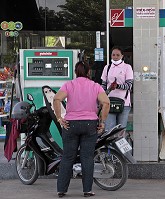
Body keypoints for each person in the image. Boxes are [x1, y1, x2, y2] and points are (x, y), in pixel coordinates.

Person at [53, 61, 110, 198]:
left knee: (67, 157)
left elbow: (56, 99)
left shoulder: (69, 85)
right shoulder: (95, 86)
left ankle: (61, 190)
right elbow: (106, 102)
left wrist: (60, 118)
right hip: (90, 124)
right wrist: (102, 121)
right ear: (89, 72)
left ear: (75, 72)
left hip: (70, 124)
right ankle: (87, 190)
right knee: (87, 158)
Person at [101, 46, 133, 132]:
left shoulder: (127, 67)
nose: (115, 57)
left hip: (124, 103)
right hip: (109, 102)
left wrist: (117, 86)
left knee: (121, 130)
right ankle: (110, 146)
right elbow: (103, 85)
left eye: (118, 55)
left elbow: (129, 85)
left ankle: (119, 145)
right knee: (109, 130)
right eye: (113, 55)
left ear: (122, 56)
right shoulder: (107, 68)